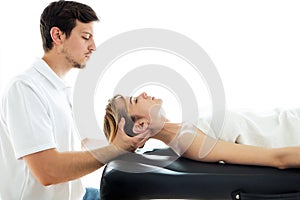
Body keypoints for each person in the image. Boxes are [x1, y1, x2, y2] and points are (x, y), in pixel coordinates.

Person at [0, 1, 150, 200]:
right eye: (86, 37)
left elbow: (76, 147)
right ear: (58, 36)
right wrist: (115, 150)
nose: (93, 46)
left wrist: (126, 139)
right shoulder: (26, 89)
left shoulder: (60, 90)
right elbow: (48, 170)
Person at [103, 92, 300, 169]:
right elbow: (277, 159)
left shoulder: (187, 128)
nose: (143, 93)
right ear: (141, 125)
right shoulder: (191, 143)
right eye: (135, 100)